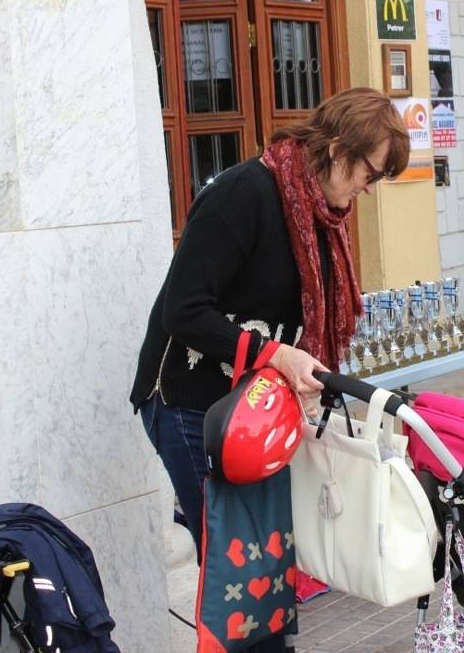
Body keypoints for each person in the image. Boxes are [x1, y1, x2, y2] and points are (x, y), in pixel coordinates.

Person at [129, 87, 410, 562]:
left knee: (268, 566)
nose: (369, 188)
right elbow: (183, 310)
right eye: (371, 173)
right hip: (193, 405)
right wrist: (278, 354)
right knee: (234, 567)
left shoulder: (320, 212)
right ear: (338, 150)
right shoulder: (243, 195)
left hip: (253, 404)